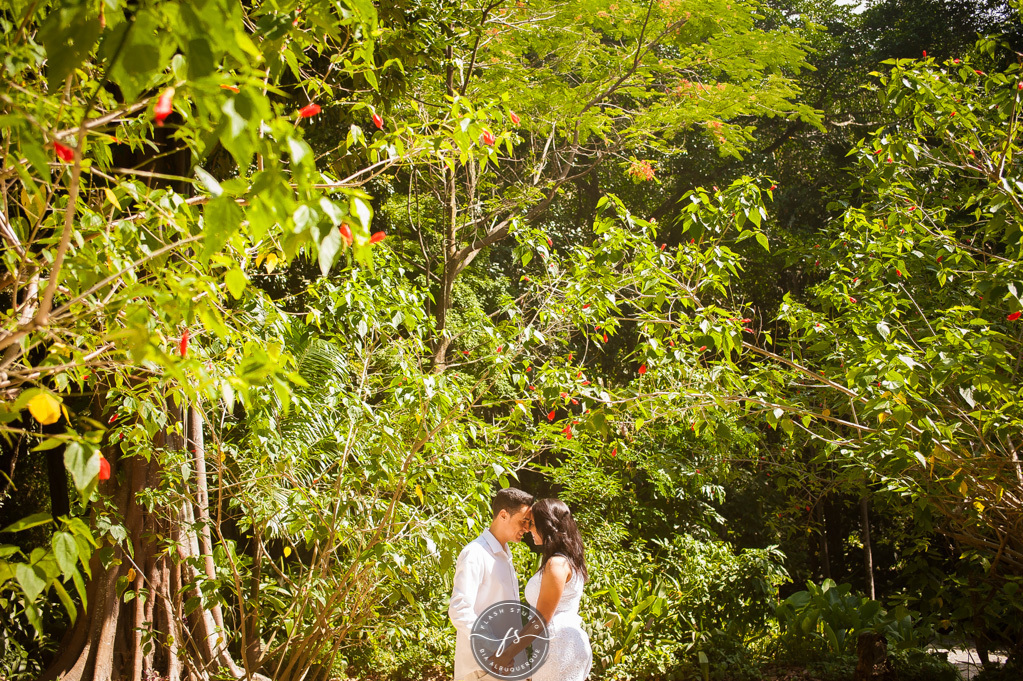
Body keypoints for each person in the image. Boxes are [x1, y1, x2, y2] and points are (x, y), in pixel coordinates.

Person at [493, 497, 592, 681]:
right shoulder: (569, 561)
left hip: (560, 647)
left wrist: (506, 655)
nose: (528, 529)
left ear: (546, 525)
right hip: (565, 644)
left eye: (531, 523)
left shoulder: (556, 564)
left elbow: (541, 619)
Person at [448, 487, 534, 681]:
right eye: (523, 521)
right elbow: (459, 609)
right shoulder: (475, 553)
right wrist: (496, 647)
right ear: (503, 515)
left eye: (529, 522)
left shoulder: (505, 556)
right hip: (484, 667)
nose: (527, 528)